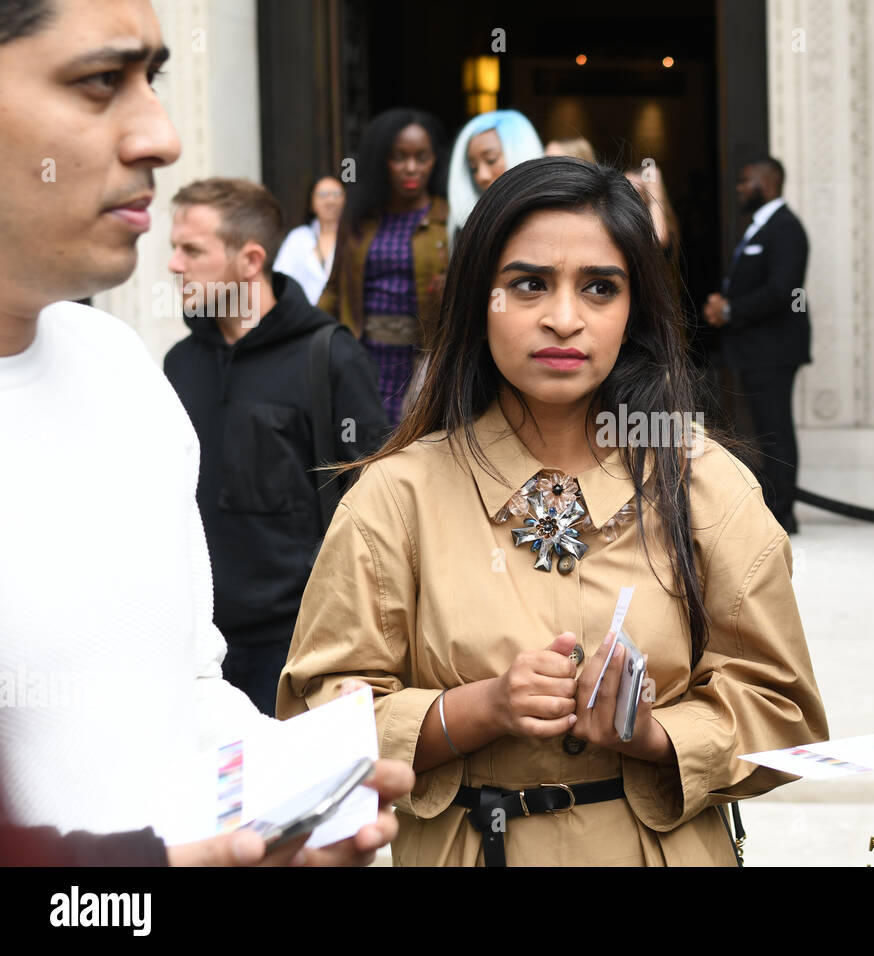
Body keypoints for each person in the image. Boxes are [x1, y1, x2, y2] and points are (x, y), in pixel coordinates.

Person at [277, 157, 828, 866]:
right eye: (529, 284)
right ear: (480, 295)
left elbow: (784, 719)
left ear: (634, 311)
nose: (564, 319)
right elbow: (314, 727)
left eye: (600, 288)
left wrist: (653, 734)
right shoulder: (396, 495)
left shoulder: (707, 484)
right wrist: (474, 711)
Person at [0, 0, 410, 865]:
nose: (163, 135)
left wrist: (280, 804)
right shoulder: (180, 364)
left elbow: (188, 685)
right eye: (100, 80)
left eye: (154, 79)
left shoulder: (124, 370)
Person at [163, 177, 391, 717]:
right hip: (191, 651)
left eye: (191, 250)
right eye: (174, 248)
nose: (174, 265)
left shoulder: (329, 357)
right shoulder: (178, 363)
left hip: (299, 647)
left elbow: (382, 505)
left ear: (250, 260)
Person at [318, 108, 451, 423]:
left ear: (435, 160)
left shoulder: (449, 218)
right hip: (363, 357)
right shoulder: (358, 218)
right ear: (381, 160)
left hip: (422, 360)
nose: (411, 168)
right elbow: (334, 289)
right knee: (362, 449)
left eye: (422, 157)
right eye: (398, 157)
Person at [704, 155, 810, 534]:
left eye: (745, 179)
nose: (738, 187)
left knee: (775, 428)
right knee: (765, 427)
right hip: (755, 348)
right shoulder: (760, 226)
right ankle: (772, 505)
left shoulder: (785, 228)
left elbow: (783, 290)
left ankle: (784, 513)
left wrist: (730, 310)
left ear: (767, 182)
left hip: (775, 349)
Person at [446, 109, 544, 245]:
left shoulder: (548, 217)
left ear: (521, 153)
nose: (482, 176)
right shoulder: (468, 229)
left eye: (491, 160)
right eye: (473, 168)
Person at [272, 175, 344, 305]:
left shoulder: (355, 237)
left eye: (336, 194)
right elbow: (281, 279)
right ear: (312, 203)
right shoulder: (298, 238)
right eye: (322, 195)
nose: (330, 200)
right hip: (304, 318)